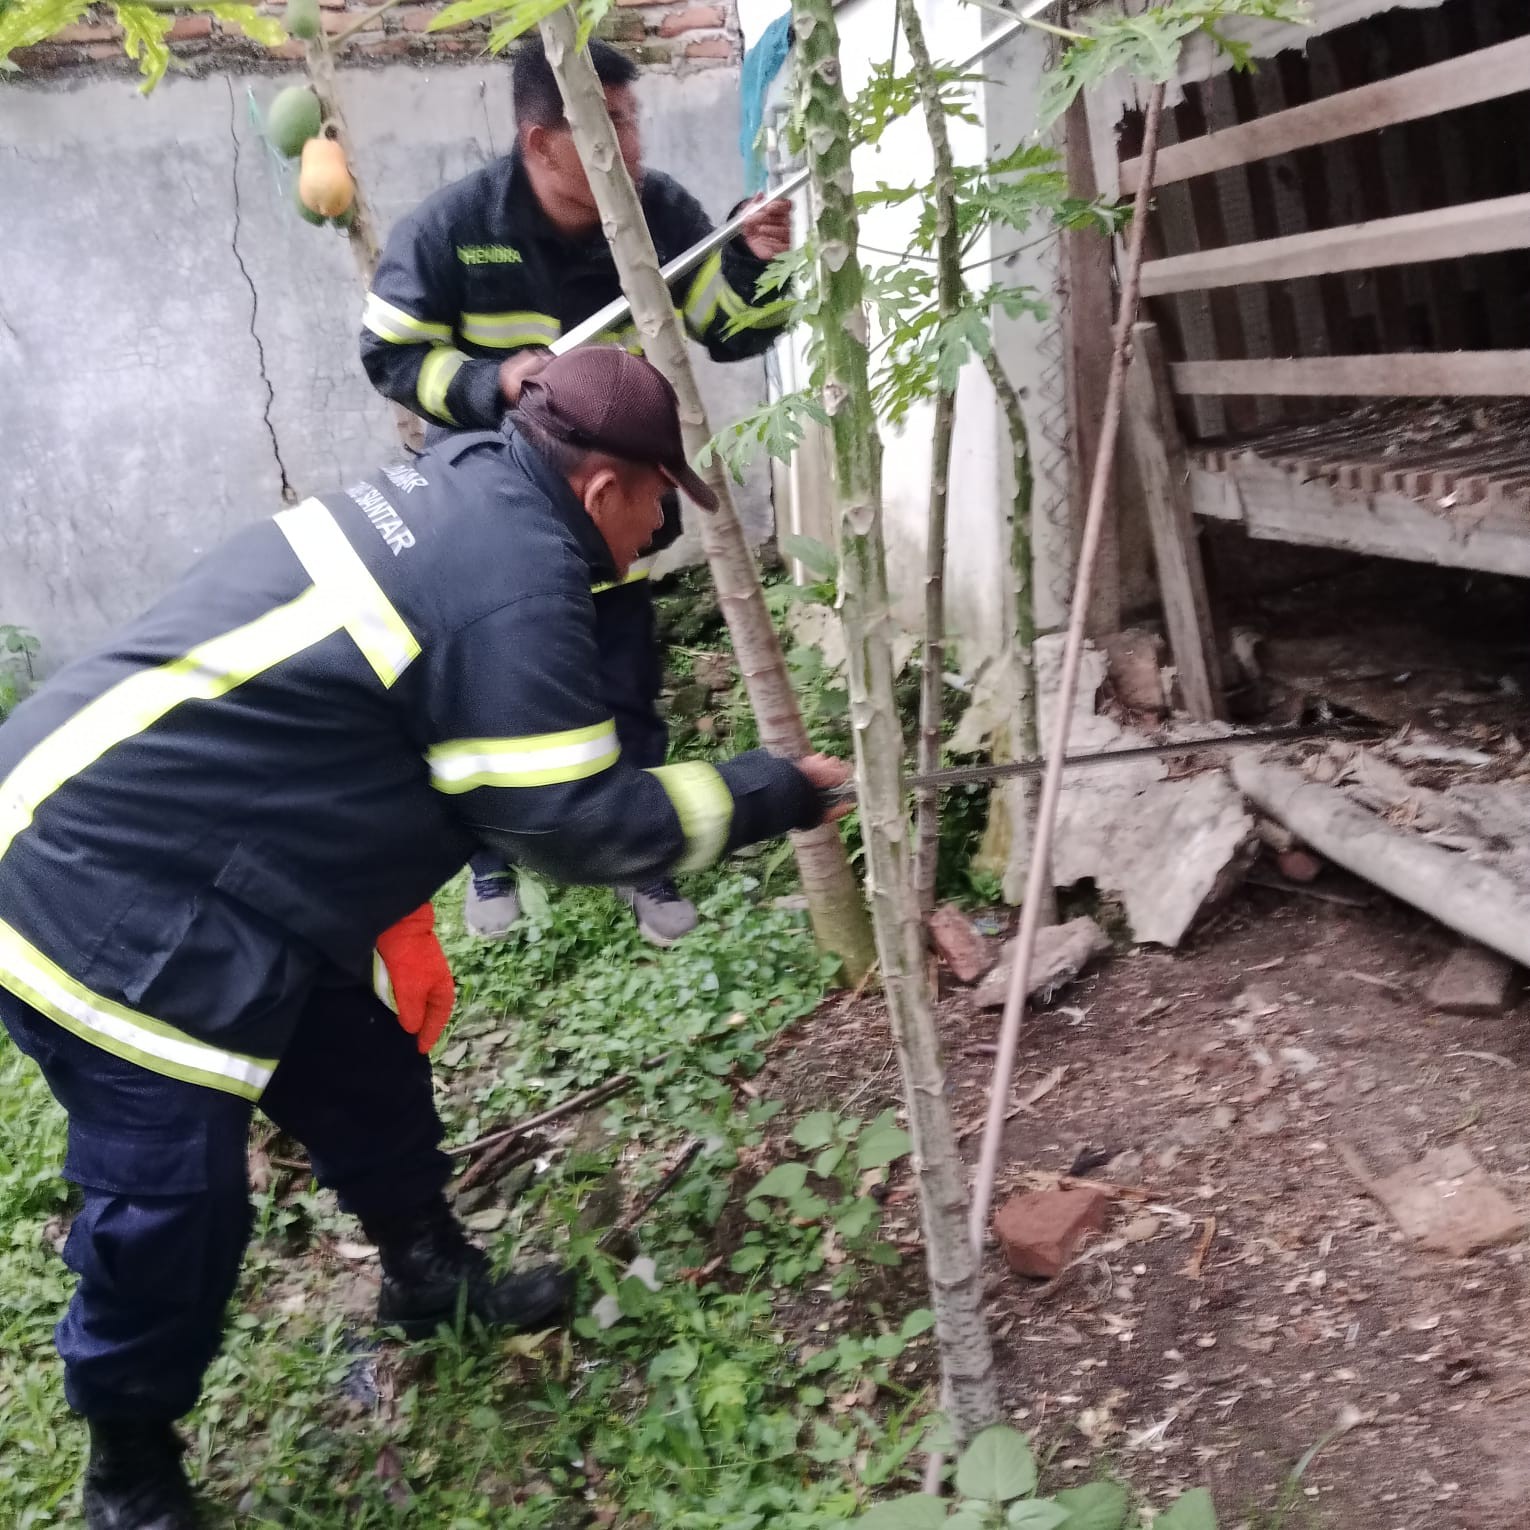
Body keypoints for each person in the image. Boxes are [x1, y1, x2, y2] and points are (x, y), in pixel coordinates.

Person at [0, 348, 849, 1530]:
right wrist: (772, 793)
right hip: (98, 880)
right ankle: (128, 1468)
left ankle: (426, 1276)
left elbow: (397, 720)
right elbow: (571, 823)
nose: (658, 530)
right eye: (658, 500)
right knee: (172, 1203)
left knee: (364, 1077)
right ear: (604, 487)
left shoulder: (466, 485)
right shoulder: (517, 573)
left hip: (223, 858)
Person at [361, 36, 792, 948]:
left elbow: (731, 331)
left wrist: (753, 258)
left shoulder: (659, 213)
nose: (631, 146)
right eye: (610, 123)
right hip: (491, 524)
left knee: (625, 685)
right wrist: (492, 382)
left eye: (632, 120)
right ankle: (484, 861)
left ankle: (645, 861)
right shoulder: (452, 227)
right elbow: (390, 355)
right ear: (542, 140)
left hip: (611, 515)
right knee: (475, 692)